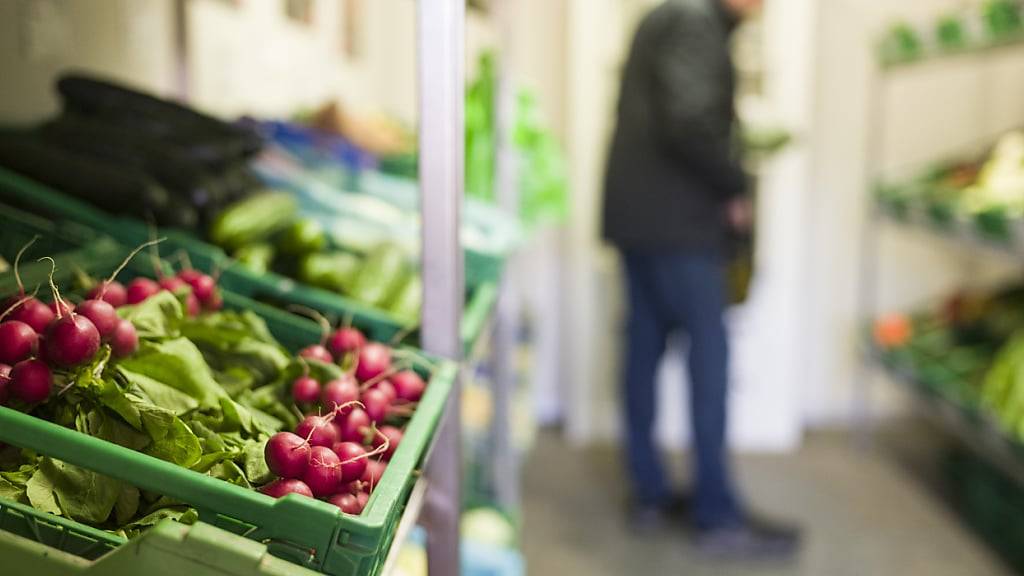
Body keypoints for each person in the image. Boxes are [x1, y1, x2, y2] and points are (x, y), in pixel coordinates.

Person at [602, 0, 800, 560]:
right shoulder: (694, 21)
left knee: (641, 352)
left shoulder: (665, 16)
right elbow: (688, 119)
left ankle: (650, 495)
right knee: (708, 363)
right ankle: (716, 513)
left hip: (642, 220)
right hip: (680, 225)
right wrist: (734, 185)